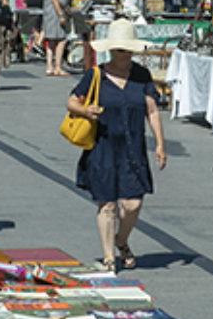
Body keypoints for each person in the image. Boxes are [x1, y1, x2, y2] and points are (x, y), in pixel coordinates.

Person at [65, 19, 166, 271]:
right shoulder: (95, 75)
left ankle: (121, 240)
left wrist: (160, 144)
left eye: (128, 49)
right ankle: (109, 255)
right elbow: (71, 102)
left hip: (133, 147)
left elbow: (151, 111)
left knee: (133, 203)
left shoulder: (141, 75)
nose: (124, 53)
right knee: (107, 203)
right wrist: (86, 111)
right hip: (103, 146)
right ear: (110, 49)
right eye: (120, 49)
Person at [42, 0, 70, 76]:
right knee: (61, 39)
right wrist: (60, 14)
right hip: (54, 12)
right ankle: (57, 66)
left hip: (48, 10)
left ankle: (49, 66)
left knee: (51, 40)